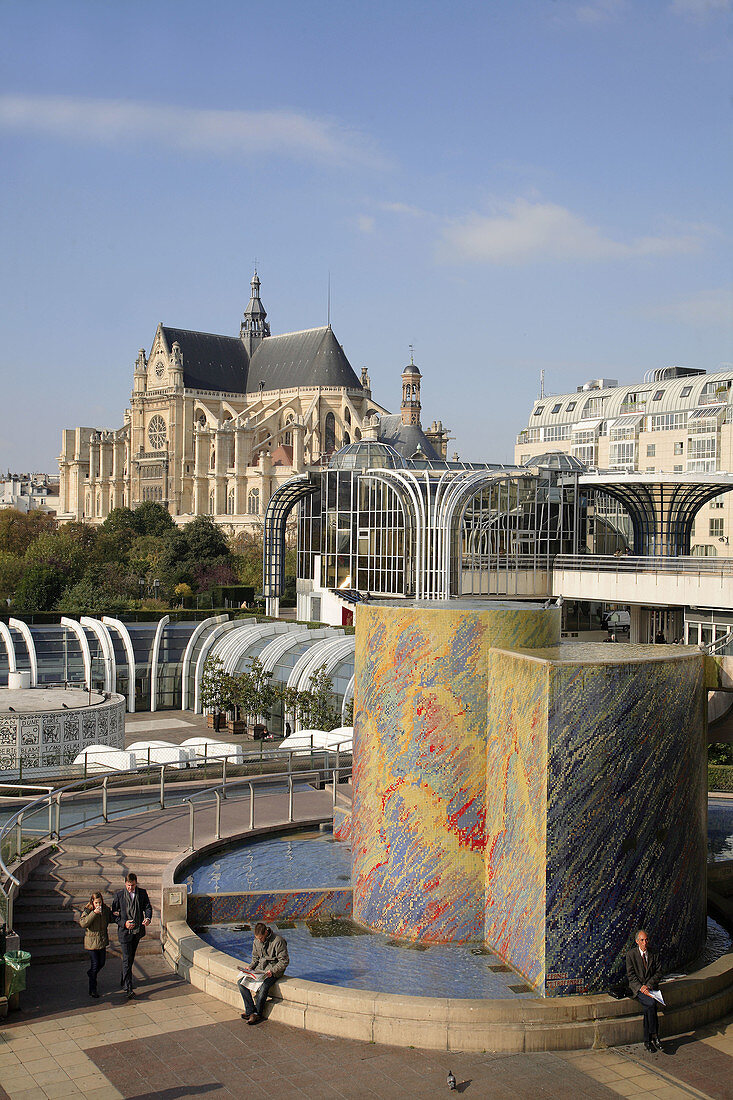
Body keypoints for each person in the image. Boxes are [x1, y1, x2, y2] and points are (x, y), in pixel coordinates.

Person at [111, 872, 152, 999]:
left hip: (137, 931)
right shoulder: (119, 896)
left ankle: (124, 977)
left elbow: (147, 907)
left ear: (136, 883)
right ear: (125, 884)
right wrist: (124, 923)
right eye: (128, 885)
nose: (130, 888)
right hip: (125, 932)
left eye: (133, 885)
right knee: (126, 958)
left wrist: (148, 918)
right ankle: (128, 987)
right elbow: (113, 915)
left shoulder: (142, 893)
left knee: (131, 957)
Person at [238, 922, 289, 1024]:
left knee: (264, 986)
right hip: (260, 970)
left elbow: (284, 961)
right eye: (257, 938)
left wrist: (273, 971)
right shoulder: (256, 941)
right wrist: (250, 967)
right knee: (241, 983)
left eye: (261, 938)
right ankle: (250, 1011)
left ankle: (257, 1014)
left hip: (274, 971)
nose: (259, 940)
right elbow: (255, 958)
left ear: (266, 932)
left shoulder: (278, 941)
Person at [626, 929, 663, 1051]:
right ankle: (654, 1034)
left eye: (646, 940)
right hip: (638, 989)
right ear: (637, 941)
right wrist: (641, 987)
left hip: (650, 988)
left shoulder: (654, 954)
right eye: (642, 940)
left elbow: (658, 972)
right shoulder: (631, 955)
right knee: (651, 1004)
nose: (645, 942)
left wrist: (648, 985)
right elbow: (631, 975)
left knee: (649, 1008)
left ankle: (648, 1040)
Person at [79, 891, 114, 998]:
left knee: (101, 963)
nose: (98, 905)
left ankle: (91, 974)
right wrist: (94, 913)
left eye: (100, 902)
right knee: (94, 964)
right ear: (92, 902)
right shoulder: (88, 910)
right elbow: (83, 923)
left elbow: (110, 918)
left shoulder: (105, 909)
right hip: (91, 942)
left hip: (101, 940)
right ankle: (92, 988)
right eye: (96, 903)